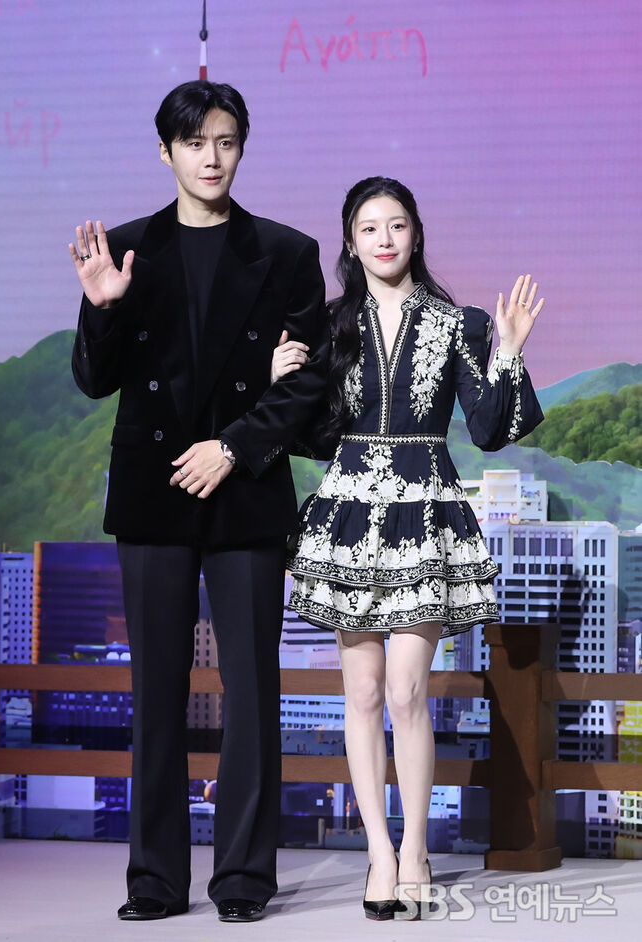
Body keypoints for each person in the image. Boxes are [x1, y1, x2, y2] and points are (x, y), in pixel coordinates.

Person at [68, 80, 328, 923]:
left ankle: (244, 878)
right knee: (156, 692)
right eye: (193, 143)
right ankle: (153, 880)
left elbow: (307, 385)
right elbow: (94, 380)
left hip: (245, 492)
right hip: (153, 494)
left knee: (251, 691)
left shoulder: (287, 252)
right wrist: (101, 309)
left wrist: (234, 447)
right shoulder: (128, 247)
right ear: (165, 151)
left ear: (241, 147)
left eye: (225, 141)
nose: (210, 158)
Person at [275, 176, 544, 920]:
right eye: (369, 228)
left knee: (405, 692)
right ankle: (380, 855)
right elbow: (315, 435)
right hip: (349, 515)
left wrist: (508, 350)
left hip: (425, 511)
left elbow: (488, 429)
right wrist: (281, 382)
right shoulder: (333, 325)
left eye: (396, 225)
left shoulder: (459, 323)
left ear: (416, 233)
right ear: (351, 241)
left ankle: (417, 847)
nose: (384, 239)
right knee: (362, 695)